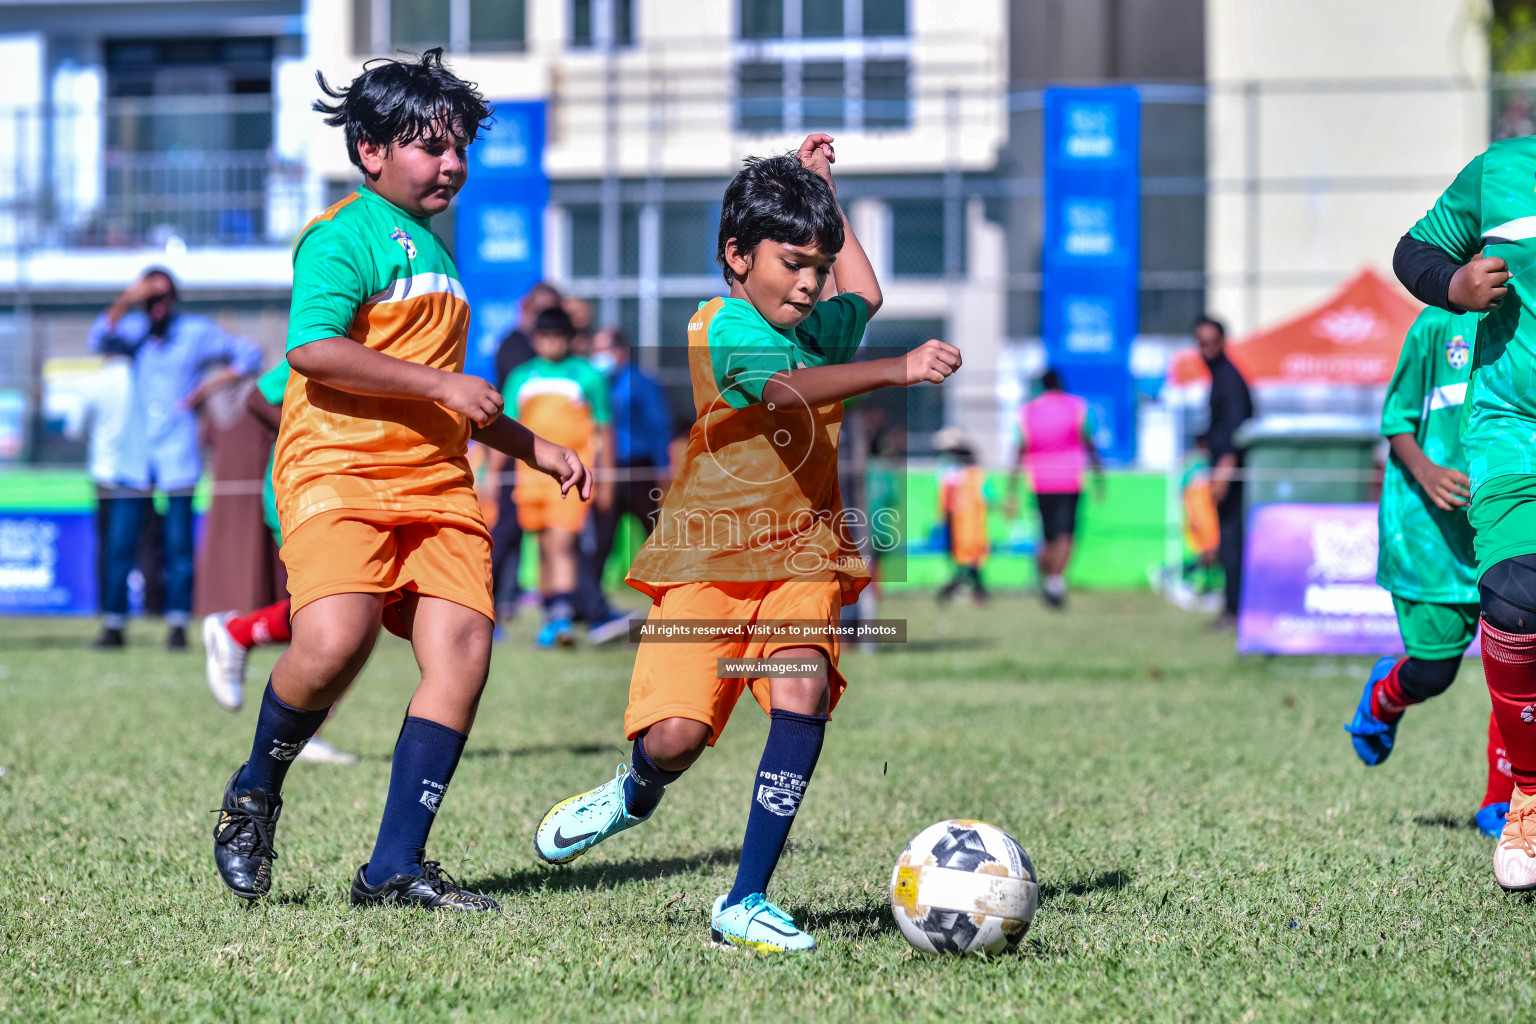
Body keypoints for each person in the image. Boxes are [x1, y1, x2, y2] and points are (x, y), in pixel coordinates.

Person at [534, 134, 961, 952]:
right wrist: (896, 368)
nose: (810, 281)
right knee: (677, 738)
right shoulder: (719, 327)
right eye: (793, 261)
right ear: (737, 255)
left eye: (818, 262)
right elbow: (787, 387)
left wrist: (825, 191)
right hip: (710, 560)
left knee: (801, 692)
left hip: (805, 553)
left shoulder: (815, 314)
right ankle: (634, 790)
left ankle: (746, 898)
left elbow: (862, 289)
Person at [210, 50, 591, 912]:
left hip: (437, 485)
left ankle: (394, 867)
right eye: (430, 146)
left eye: (459, 146)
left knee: (462, 654)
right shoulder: (343, 234)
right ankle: (255, 791)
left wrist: (535, 447)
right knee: (332, 645)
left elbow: (454, 395)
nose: (450, 163)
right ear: (371, 149)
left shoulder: (441, 259)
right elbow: (312, 349)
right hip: (339, 472)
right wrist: (443, 387)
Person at [1392, 135, 1536, 890]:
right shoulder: (1501, 171)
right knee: (1515, 603)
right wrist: (1454, 285)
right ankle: (1529, 798)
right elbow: (1414, 250)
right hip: (1515, 429)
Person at [1341, 306, 1510, 836]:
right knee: (1434, 673)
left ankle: (1504, 802)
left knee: (1520, 669)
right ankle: (1385, 695)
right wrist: (1427, 470)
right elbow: (1397, 418)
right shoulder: (1438, 324)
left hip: (1505, 528)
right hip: (1431, 537)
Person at [88, 268, 262, 650]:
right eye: (150, 298)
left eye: (163, 297)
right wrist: (127, 297)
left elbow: (249, 354)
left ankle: (178, 624)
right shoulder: (134, 332)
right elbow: (98, 337)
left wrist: (208, 385)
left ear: (174, 299)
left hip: (178, 452)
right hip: (133, 457)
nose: (157, 304)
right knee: (120, 544)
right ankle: (114, 624)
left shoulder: (195, 332)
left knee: (179, 545)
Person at [202, 358, 358, 764]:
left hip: (355, 494)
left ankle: (239, 632)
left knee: (357, 613)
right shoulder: (327, 341)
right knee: (347, 612)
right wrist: (307, 436)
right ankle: (238, 634)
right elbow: (257, 397)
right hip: (304, 492)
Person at [502, 306, 614, 647]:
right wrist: (485, 476)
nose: (551, 344)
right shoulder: (521, 377)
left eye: (557, 337)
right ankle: (551, 618)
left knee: (563, 544)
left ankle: (563, 616)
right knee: (544, 546)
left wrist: (606, 477)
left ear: (570, 339)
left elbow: (604, 430)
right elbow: (502, 430)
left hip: (571, 477)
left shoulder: (586, 375)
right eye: (545, 337)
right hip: (528, 479)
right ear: (536, 339)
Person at [578, 326, 674, 643]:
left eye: (603, 350)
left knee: (658, 539)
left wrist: (664, 469)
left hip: (640, 470)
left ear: (620, 351)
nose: (598, 357)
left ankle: (675, 606)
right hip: (606, 470)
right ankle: (591, 609)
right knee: (599, 541)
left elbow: (659, 425)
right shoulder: (594, 383)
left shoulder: (641, 382)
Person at [485, 281, 564, 630]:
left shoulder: (572, 365)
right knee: (503, 535)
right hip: (517, 456)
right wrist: (492, 471)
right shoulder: (517, 354)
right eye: (541, 313)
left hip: (544, 462)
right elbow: (508, 414)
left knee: (552, 537)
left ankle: (555, 611)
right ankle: (489, 604)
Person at [1005, 368, 1105, 609]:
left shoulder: (1028, 412)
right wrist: (1099, 477)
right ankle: (1055, 582)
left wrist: (1012, 489)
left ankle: (1046, 579)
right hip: (1069, 480)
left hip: (1040, 482)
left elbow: (1019, 451)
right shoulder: (1076, 407)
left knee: (1048, 537)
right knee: (1066, 535)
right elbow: (1090, 444)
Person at [1194, 317, 1252, 629]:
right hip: (1222, 466)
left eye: (1211, 342)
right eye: (1201, 343)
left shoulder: (1228, 377)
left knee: (1232, 540)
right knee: (1227, 538)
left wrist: (1224, 470)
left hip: (1231, 471)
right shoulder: (1219, 376)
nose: (1207, 350)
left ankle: (1234, 610)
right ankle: (1231, 608)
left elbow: (1236, 427)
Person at [934, 428, 990, 605]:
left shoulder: (969, 473)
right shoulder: (952, 470)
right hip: (957, 520)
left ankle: (964, 585)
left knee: (970, 554)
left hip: (968, 522)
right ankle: (965, 585)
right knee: (962, 554)